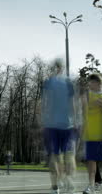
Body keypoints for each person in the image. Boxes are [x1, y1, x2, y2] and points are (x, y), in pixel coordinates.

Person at [41, 58, 78, 194]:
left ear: (53, 68)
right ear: (62, 68)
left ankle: (55, 186)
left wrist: (42, 121)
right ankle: (68, 179)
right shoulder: (68, 83)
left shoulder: (48, 83)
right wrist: (74, 121)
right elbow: (72, 103)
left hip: (51, 125)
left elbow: (44, 102)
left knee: (54, 156)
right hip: (66, 125)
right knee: (69, 155)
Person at [81, 73, 102, 194]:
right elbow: (83, 107)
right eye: (89, 82)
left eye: (92, 82)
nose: (89, 84)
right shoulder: (86, 94)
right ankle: (91, 186)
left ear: (99, 83)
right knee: (91, 161)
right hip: (90, 133)